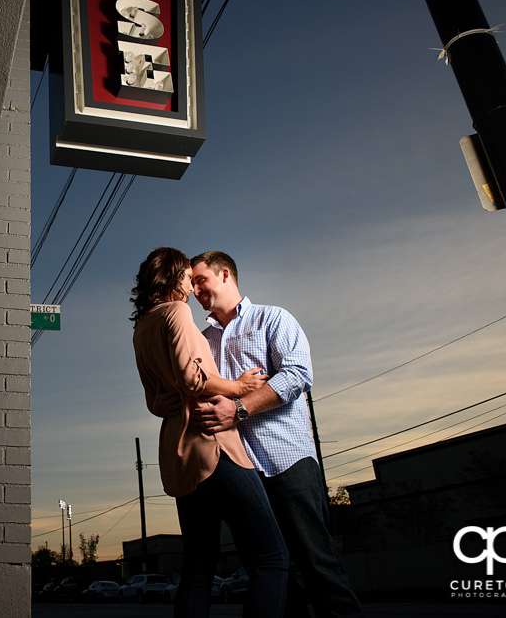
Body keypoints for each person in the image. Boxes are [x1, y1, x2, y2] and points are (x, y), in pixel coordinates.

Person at [187, 250, 363, 618]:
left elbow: (297, 374)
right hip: (242, 472)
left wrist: (238, 407)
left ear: (224, 274)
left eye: (200, 279)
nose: (194, 288)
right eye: (191, 282)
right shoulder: (203, 340)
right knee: (269, 573)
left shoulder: (273, 318)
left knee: (318, 564)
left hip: (288, 461)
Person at [131, 247, 289, 618]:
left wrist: (166, 403)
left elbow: (154, 400)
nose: (191, 286)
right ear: (173, 276)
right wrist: (240, 387)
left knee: (198, 568)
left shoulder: (142, 328)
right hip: (212, 444)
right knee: (272, 558)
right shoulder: (176, 312)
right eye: (188, 276)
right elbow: (192, 377)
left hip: (179, 455)